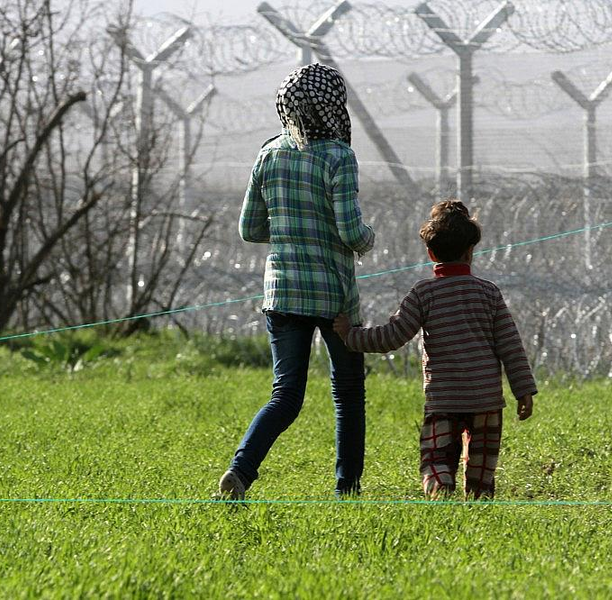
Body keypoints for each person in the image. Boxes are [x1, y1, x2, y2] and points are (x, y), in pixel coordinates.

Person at [218, 63, 375, 501]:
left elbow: (250, 229)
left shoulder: (269, 153)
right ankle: (347, 488)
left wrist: (291, 229)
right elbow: (350, 230)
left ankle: (240, 471)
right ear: (333, 107)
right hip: (334, 295)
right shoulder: (339, 156)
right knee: (347, 392)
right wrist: (368, 240)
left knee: (285, 395)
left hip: (282, 291)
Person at [333, 200, 536, 500]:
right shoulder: (489, 292)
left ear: (430, 253)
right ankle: (479, 508)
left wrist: (350, 335)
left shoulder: (423, 294)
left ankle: (441, 495)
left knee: (436, 461)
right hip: (486, 400)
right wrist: (524, 390)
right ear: (470, 251)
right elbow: (510, 346)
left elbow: (392, 336)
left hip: (444, 399)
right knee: (482, 471)